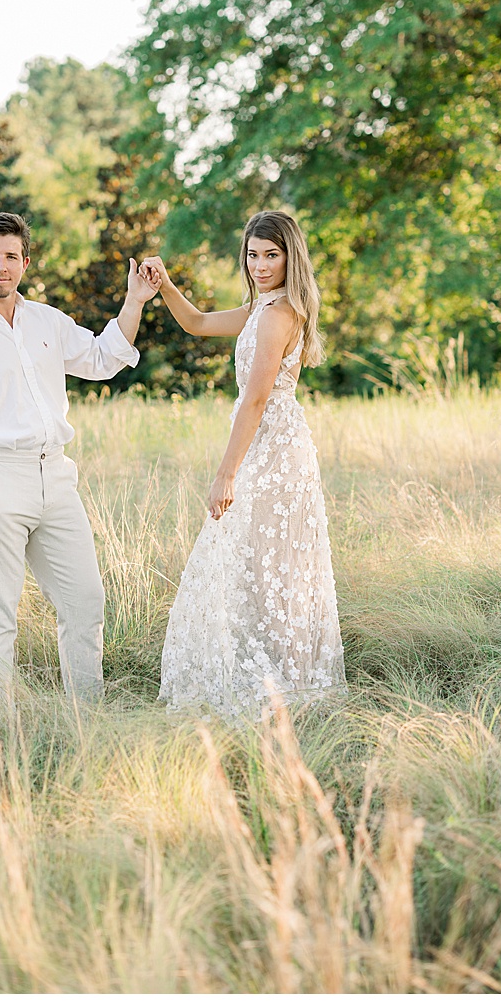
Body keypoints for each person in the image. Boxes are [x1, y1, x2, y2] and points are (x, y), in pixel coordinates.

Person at [0, 212, 157, 716]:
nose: (0, 267)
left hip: (56, 478)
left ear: (25, 262)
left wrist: (134, 300)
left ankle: (87, 716)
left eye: (10, 256)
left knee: (85, 601)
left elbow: (102, 359)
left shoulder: (46, 320)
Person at [141, 211, 346, 716]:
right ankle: (271, 680)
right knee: (256, 565)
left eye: (271, 255)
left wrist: (225, 474)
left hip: (276, 451)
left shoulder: (279, 314)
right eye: (253, 255)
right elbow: (198, 323)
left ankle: (284, 685)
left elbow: (256, 400)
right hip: (263, 444)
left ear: (291, 257)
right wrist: (164, 284)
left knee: (270, 567)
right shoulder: (262, 308)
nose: (260, 265)